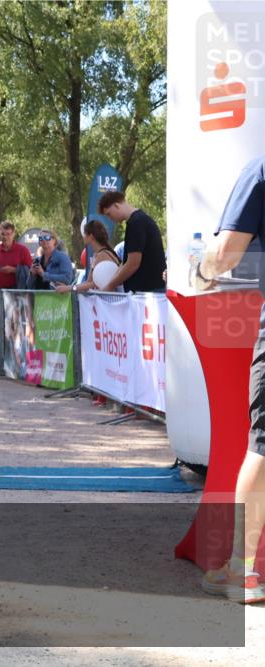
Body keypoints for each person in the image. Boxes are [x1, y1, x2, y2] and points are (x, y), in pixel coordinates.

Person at [192, 155, 265, 604]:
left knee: (263, 445)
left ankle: (241, 569)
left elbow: (225, 252)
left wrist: (199, 273)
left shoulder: (259, 170)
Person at [97, 191, 167, 292]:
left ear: (116, 205)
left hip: (147, 293)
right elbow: (126, 262)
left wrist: (110, 286)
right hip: (146, 291)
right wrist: (112, 281)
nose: (110, 218)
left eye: (109, 214)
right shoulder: (136, 221)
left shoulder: (136, 223)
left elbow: (133, 264)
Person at [56, 220, 123, 294]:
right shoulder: (98, 254)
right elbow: (89, 282)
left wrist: (69, 288)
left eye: (84, 233)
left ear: (91, 236)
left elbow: (93, 284)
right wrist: (67, 288)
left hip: (110, 302)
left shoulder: (102, 254)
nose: (83, 236)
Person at [0, 221, 33, 289]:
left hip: (17, 292)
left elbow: (31, 271)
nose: (5, 237)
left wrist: (14, 270)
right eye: (3, 234)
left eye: (8, 234)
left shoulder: (23, 250)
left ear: (13, 234)